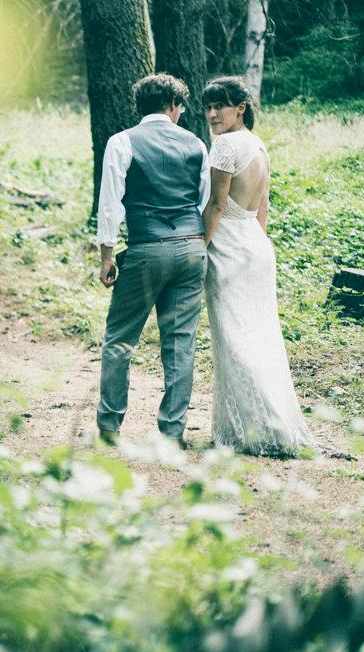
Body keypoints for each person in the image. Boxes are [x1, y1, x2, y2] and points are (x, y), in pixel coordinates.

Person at [95, 73, 211, 445]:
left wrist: (107, 255)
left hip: (146, 248)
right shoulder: (196, 144)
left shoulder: (123, 141)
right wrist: (197, 243)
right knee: (180, 342)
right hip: (193, 247)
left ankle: (110, 426)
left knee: (121, 336)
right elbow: (205, 201)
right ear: (174, 105)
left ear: (140, 106)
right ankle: (172, 432)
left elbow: (111, 202)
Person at [202, 76, 313, 457]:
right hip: (255, 246)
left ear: (241, 108)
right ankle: (266, 423)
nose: (213, 113)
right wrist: (258, 243)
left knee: (235, 341)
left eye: (221, 106)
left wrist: (200, 247)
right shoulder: (258, 146)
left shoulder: (226, 145)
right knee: (261, 338)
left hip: (230, 248)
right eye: (209, 106)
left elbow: (216, 206)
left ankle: (265, 428)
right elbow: (261, 206)